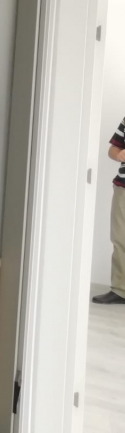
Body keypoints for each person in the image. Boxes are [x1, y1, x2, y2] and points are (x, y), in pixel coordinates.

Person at [93, 117, 125, 304]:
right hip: (123, 187)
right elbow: (113, 149)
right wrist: (119, 155)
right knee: (120, 238)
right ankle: (121, 290)